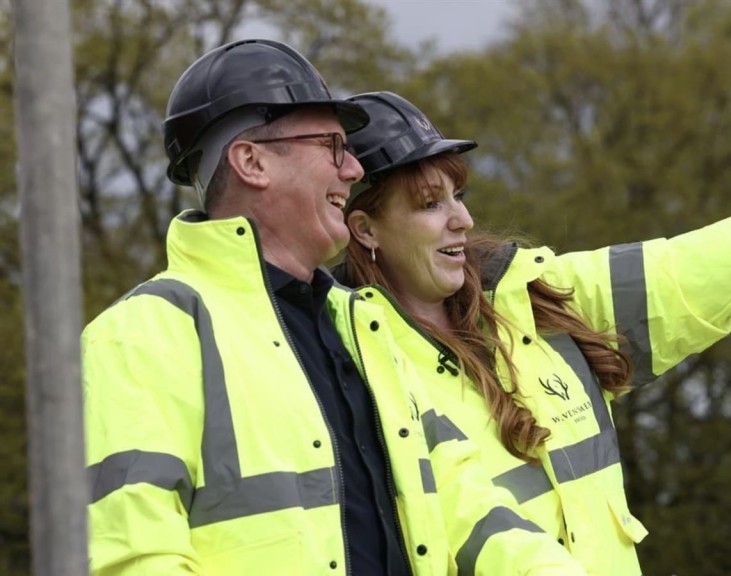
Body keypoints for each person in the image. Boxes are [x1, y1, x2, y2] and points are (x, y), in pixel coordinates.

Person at [332, 90, 731, 576]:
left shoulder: (534, 297)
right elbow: (464, 516)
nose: (461, 220)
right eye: (428, 204)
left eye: (457, 195)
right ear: (364, 230)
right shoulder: (350, 363)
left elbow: (691, 270)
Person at [82, 40, 588, 576]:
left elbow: (469, 509)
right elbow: (131, 559)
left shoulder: (364, 326)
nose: (352, 170)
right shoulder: (144, 335)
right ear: (252, 161)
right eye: (332, 146)